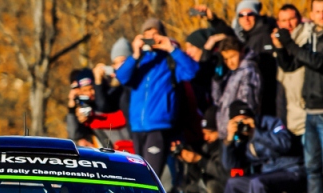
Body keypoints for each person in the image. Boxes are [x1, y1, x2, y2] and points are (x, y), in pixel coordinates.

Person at [211, 101, 306, 193]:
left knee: (258, 182)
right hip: (268, 178)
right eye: (237, 122)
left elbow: (285, 144)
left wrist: (256, 133)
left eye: (244, 120)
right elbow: (231, 165)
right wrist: (228, 141)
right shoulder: (241, 138)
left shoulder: (271, 123)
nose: (243, 125)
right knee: (233, 182)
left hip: (292, 172)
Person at [115, 18, 199, 177]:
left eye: (155, 35)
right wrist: (134, 54)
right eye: (147, 35)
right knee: (137, 176)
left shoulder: (169, 60)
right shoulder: (139, 61)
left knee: (150, 176)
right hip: (137, 127)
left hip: (159, 126)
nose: (151, 39)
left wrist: (170, 48)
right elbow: (122, 77)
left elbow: (192, 71)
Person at [275, 0, 323, 193]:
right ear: (311, 14)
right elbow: (292, 64)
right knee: (313, 167)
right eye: (317, 11)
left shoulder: (316, 39)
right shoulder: (312, 36)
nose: (321, 15)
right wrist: (281, 48)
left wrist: (289, 44)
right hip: (311, 110)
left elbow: (317, 62)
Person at [212, 36, 261, 170]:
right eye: (226, 59)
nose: (230, 62)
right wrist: (217, 81)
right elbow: (218, 101)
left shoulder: (248, 70)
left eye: (232, 56)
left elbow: (247, 102)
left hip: (239, 133)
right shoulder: (232, 73)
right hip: (227, 132)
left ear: (242, 52)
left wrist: (239, 124)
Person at [176, 106, 227, 193]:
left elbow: (223, 174)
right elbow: (198, 176)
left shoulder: (226, 148)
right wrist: (190, 161)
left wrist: (200, 160)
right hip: (210, 188)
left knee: (212, 186)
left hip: (224, 188)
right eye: (204, 133)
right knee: (189, 190)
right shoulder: (206, 148)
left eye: (210, 133)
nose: (206, 138)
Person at [233, 0, 281, 118]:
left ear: (256, 16)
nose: (246, 19)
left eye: (250, 14)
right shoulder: (244, 37)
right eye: (241, 15)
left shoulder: (265, 33)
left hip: (267, 96)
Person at [67, 68, 131, 150]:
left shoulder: (112, 98)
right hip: (110, 150)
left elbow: (103, 106)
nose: (89, 93)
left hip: (128, 145)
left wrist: (92, 117)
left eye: (92, 89)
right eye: (85, 90)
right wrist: (71, 109)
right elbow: (74, 135)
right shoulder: (82, 107)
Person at [275, 4, 313, 137]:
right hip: (288, 110)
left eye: (291, 19)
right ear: (278, 23)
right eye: (284, 21)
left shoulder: (308, 38)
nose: (288, 25)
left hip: (306, 109)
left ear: (300, 19)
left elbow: (292, 66)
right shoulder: (277, 41)